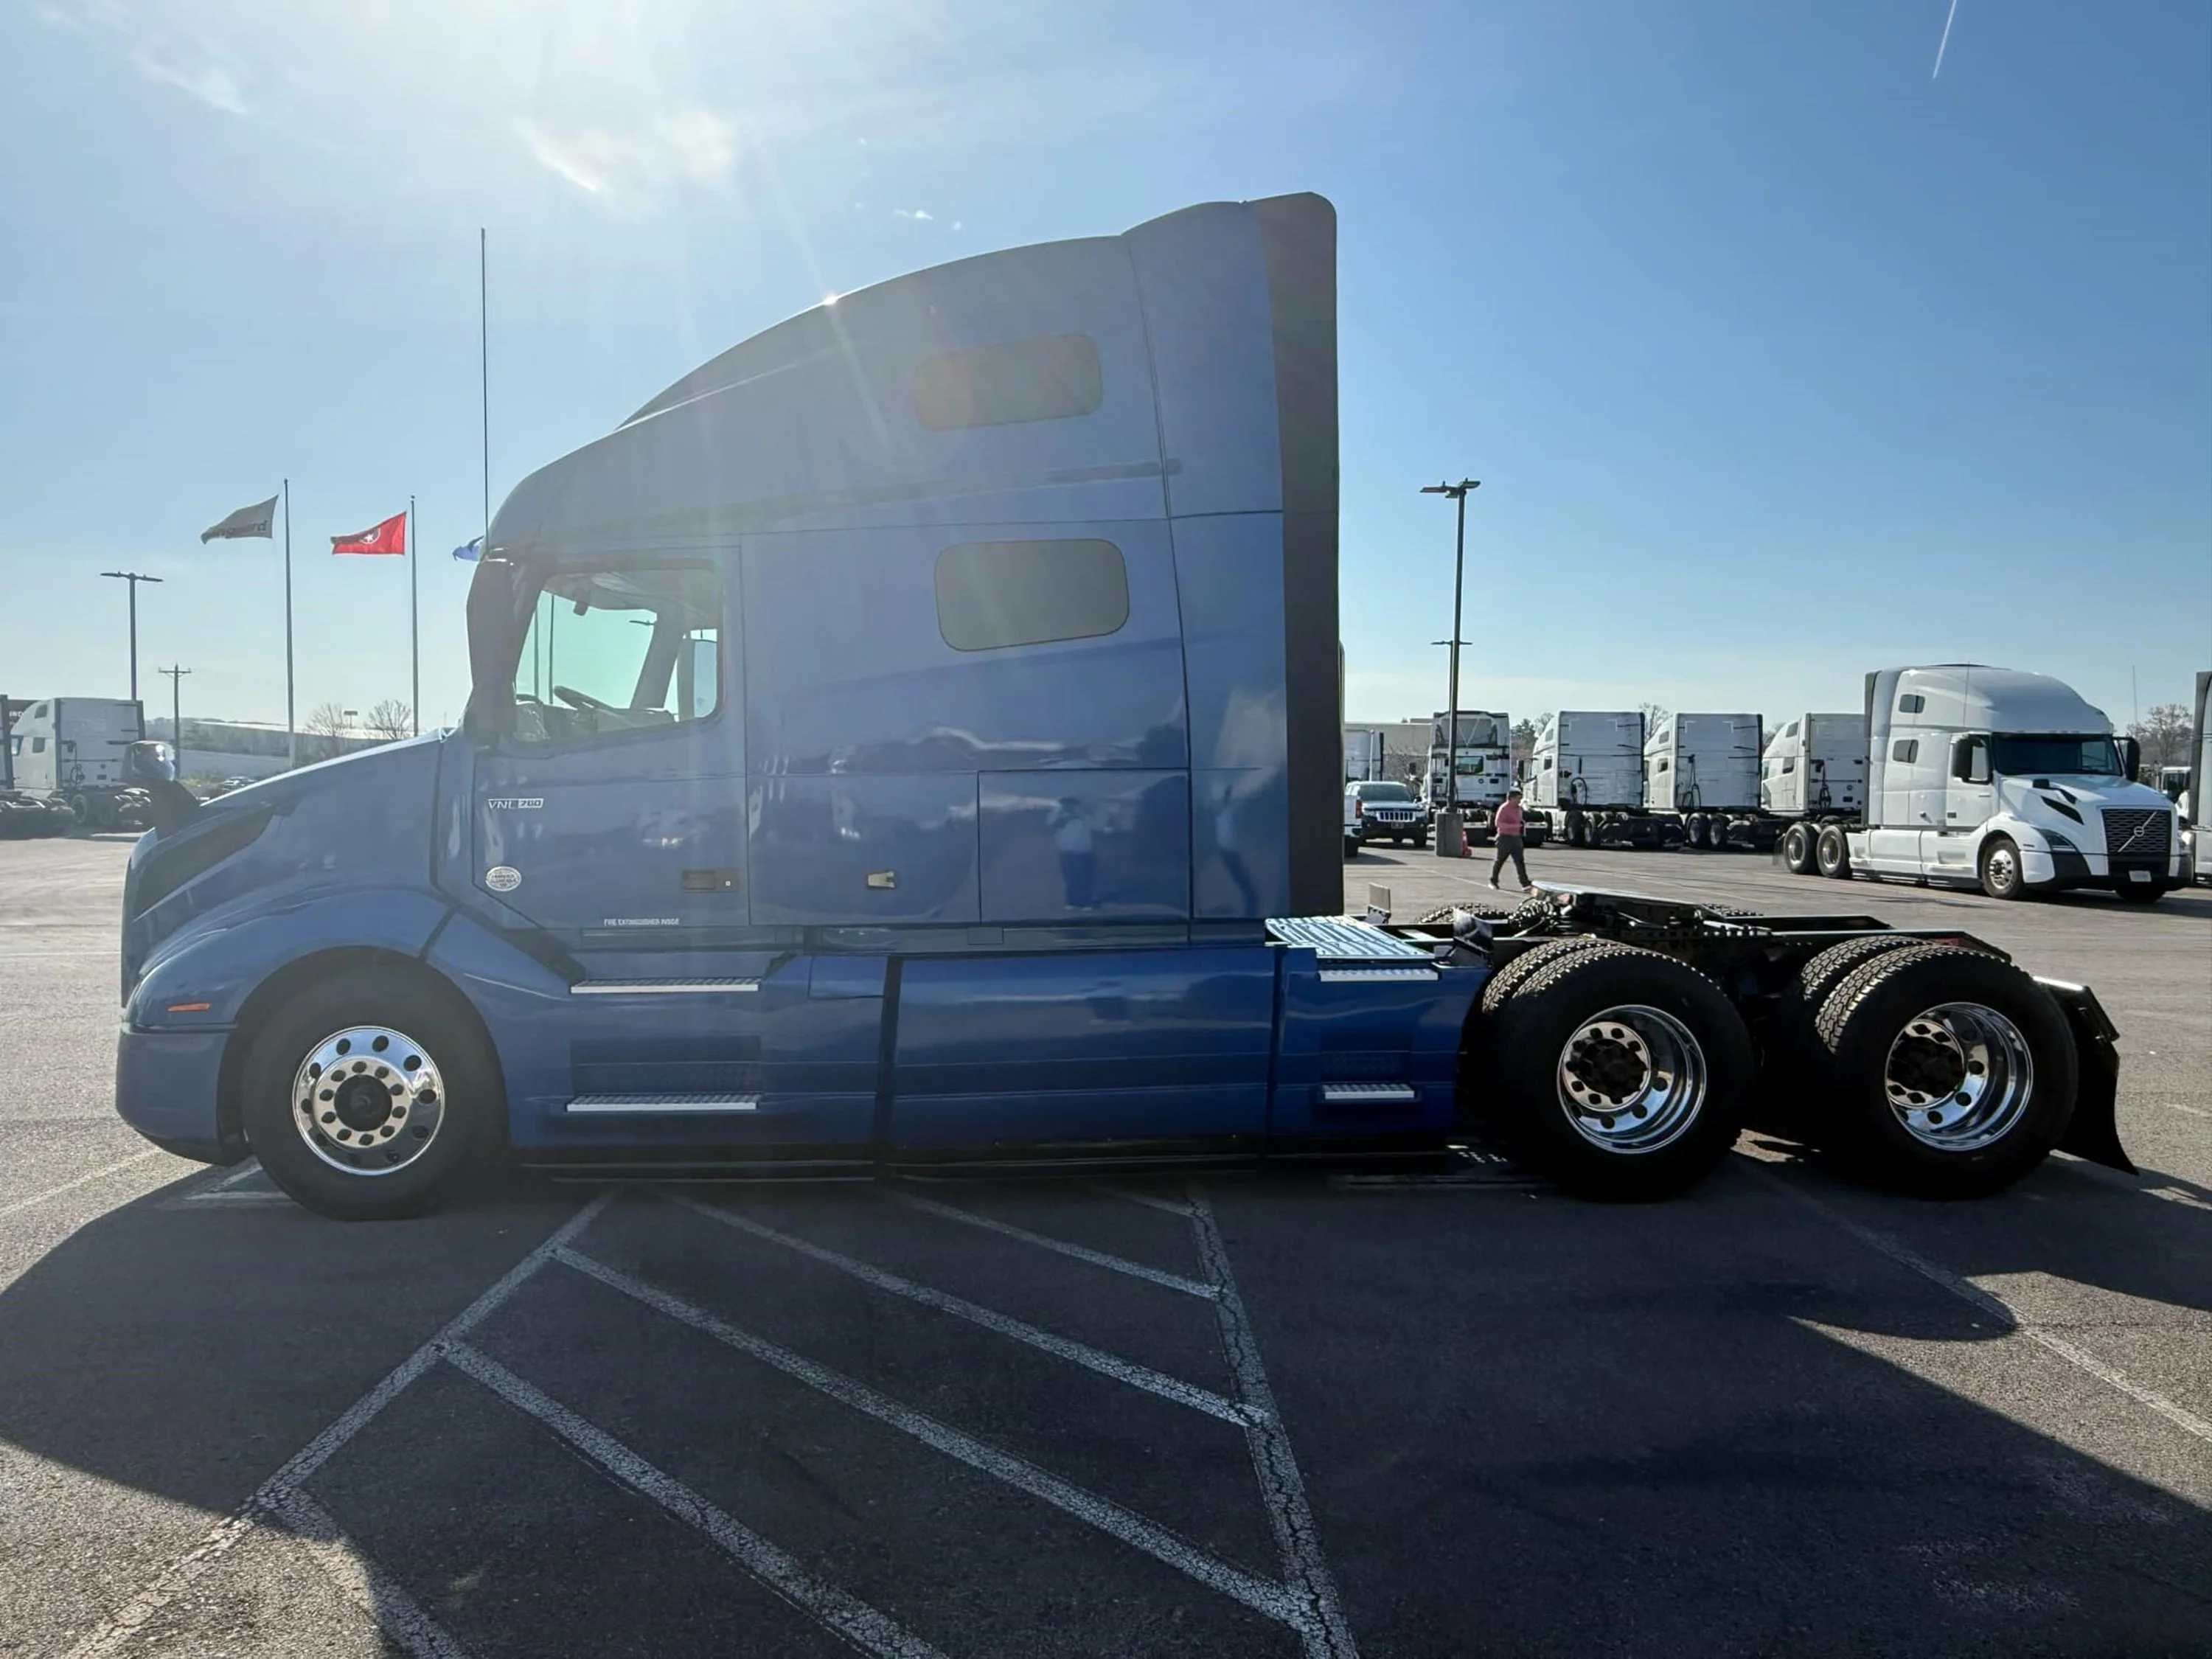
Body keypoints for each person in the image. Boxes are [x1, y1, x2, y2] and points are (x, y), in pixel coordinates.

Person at [1489, 787, 1534, 893]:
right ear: (1510, 798)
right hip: (1504, 837)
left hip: (1516, 838)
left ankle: (1525, 884)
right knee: (1500, 860)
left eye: (1520, 798)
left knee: (1520, 862)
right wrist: (1514, 826)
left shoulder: (1518, 809)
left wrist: (1521, 825)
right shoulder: (1504, 809)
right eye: (1517, 798)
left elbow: (1519, 821)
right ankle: (1493, 881)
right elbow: (1498, 824)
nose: (1519, 801)